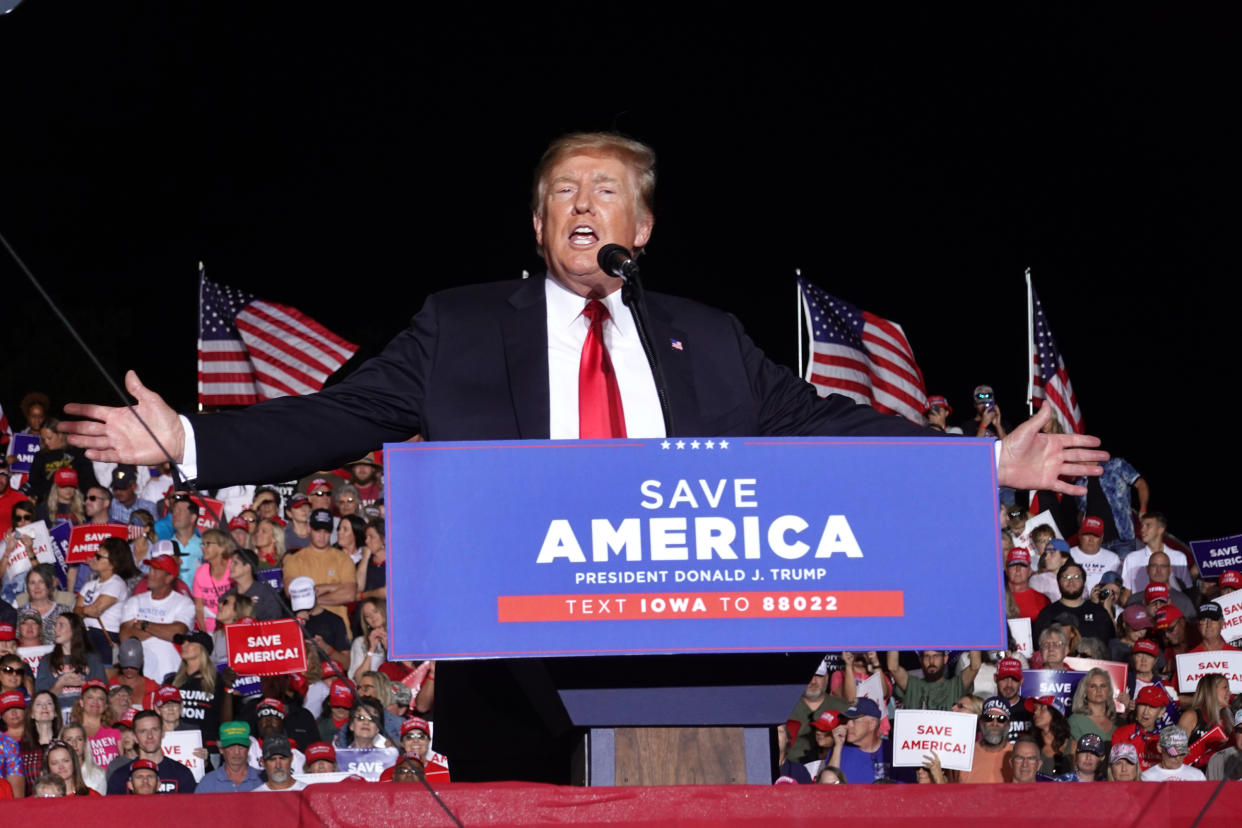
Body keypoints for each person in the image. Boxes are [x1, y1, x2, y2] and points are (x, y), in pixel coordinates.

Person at [60, 131, 1108, 782]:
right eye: (563, 191)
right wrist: (190, 440)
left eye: (604, 191)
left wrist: (981, 463)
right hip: (520, 672)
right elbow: (344, 413)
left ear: (639, 226)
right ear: (536, 221)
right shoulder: (465, 326)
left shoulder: (706, 334)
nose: (581, 206)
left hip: (699, 664)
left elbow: (820, 422)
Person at [117, 553, 195, 682]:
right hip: (140, 677)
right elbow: (125, 637)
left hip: (171, 674)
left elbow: (177, 633)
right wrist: (164, 629)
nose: (150, 573)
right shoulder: (135, 601)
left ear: (169, 577)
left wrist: (144, 625)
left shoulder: (184, 603)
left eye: (156, 570)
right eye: (150, 568)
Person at [106, 709, 197, 793]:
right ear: (134, 737)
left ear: (163, 733)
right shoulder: (120, 776)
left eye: (154, 729)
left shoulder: (182, 773)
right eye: (143, 731)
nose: (150, 736)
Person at [36, 613, 106, 716]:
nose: (55, 629)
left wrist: (85, 685)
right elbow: (40, 700)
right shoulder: (47, 660)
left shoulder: (92, 659)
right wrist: (60, 684)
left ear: (74, 629)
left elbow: (103, 694)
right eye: (56, 625)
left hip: (85, 714)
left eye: (61, 625)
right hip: (56, 715)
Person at [76, 536, 132, 661]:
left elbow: (95, 609)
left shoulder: (116, 584)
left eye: (99, 557)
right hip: (87, 634)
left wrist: (82, 610)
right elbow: (76, 610)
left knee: (103, 677)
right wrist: (84, 611)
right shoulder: (91, 584)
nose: (94, 559)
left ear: (113, 563)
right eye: (96, 555)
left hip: (105, 636)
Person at [886, 649, 980, 711]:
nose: (931, 661)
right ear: (920, 660)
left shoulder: (955, 686)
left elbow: (975, 667)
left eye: (936, 656)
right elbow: (893, 667)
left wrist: (971, 630)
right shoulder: (912, 685)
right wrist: (895, 632)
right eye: (927, 656)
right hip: (916, 740)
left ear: (945, 659)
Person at [1176, 672, 1233, 767]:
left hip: (1219, 775)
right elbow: (1176, 748)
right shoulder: (1191, 716)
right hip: (1194, 776)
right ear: (1211, 690)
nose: (1229, 693)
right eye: (1225, 687)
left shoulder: (1229, 720)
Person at [957, 696, 1014, 783]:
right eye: (989, 718)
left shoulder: (1018, 755)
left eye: (1001, 719)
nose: (994, 723)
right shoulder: (965, 753)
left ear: (1008, 725)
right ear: (981, 723)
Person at [1066, 668, 1118, 755]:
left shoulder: (1118, 721)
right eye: (1093, 686)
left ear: (1108, 690)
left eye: (1103, 686)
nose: (1099, 690)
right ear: (1085, 691)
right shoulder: (1075, 721)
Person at [226, 547, 287, 621]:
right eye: (231, 563)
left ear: (247, 567)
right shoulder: (228, 596)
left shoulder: (266, 593)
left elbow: (274, 622)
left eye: (235, 563)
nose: (230, 566)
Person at [191, 528, 233, 633]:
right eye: (202, 544)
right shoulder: (200, 573)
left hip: (233, 625)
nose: (203, 548)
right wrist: (205, 633)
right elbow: (199, 608)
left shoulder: (233, 567)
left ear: (222, 547)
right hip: (211, 629)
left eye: (207, 544)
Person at [1027, 696, 1072, 777]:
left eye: (1042, 708)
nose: (1036, 712)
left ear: (1056, 713)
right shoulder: (1029, 746)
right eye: (1035, 709)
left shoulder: (1073, 746)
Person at [1140, 726, 1206, 781]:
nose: (1178, 758)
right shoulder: (1147, 778)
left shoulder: (1197, 776)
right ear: (1160, 748)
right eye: (1173, 754)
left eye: (1182, 753)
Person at [60, 723, 107, 794]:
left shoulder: (98, 774)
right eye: (69, 739)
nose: (74, 744)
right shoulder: (56, 772)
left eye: (79, 739)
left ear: (85, 743)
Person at [0, 691, 26, 797]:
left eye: (17, 709)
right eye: (9, 710)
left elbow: (16, 799)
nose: (14, 712)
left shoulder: (8, 743)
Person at [356, 518, 386, 601]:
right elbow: (358, 587)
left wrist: (363, 595)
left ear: (384, 539)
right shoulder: (364, 563)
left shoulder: (393, 563)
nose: (366, 541)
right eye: (366, 537)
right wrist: (365, 558)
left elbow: (386, 592)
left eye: (371, 537)